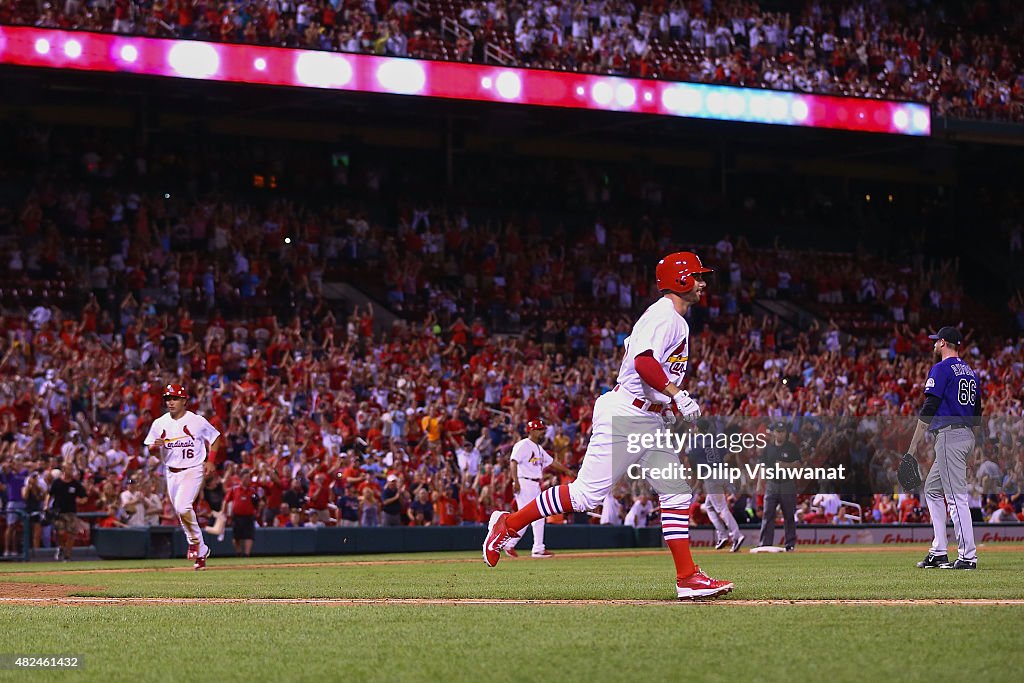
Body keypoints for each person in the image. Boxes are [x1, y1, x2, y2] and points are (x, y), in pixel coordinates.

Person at [483, 252, 734, 599]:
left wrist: (665, 403)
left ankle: (687, 577)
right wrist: (675, 393)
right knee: (586, 495)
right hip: (627, 415)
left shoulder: (674, 319)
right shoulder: (666, 316)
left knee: (676, 493)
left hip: (647, 415)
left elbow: (649, 369)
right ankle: (508, 524)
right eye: (697, 276)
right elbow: (643, 362)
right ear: (680, 280)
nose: (703, 282)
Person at [906, 326, 982, 570]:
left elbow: (929, 407)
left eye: (936, 341)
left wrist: (912, 447)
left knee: (956, 497)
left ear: (943, 343)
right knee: (932, 490)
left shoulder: (941, 368)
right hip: (964, 434)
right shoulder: (970, 372)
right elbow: (977, 414)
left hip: (950, 436)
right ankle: (939, 551)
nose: (933, 344)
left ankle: (968, 555)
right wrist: (972, 444)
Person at [144, 383, 222, 570]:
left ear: (184, 401)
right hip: (171, 472)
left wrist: (210, 461)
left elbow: (215, 437)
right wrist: (155, 448)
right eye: (168, 399)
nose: (171, 402)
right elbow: (151, 450)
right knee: (180, 510)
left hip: (193, 469)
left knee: (182, 506)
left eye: (175, 398)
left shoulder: (196, 421)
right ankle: (201, 550)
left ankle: (194, 543)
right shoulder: (160, 423)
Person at [503, 418, 572, 558]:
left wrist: (567, 471)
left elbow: (552, 462)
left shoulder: (538, 449)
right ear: (532, 431)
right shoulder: (523, 445)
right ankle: (515, 545)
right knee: (528, 517)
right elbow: (513, 462)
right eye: (539, 429)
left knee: (536, 516)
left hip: (534, 484)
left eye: (542, 429)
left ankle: (532, 547)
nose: (542, 432)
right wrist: (515, 481)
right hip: (525, 482)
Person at [688, 418, 744, 552]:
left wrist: (699, 478)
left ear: (697, 428)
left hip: (710, 476)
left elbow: (691, 461)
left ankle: (737, 535)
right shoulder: (716, 439)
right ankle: (722, 535)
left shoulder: (695, 442)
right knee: (709, 506)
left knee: (721, 509)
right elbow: (726, 457)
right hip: (723, 473)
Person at [755, 422, 801, 552]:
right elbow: (762, 467)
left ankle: (790, 544)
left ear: (786, 433)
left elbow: (798, 465)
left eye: (782, 431)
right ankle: (765, 543)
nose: (780, 434)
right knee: (767, 513)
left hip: (787, 483)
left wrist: (785, 465)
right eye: (778, 431)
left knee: (789, 515)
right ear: (774, 433)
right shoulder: (768, 449)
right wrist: (760, 483)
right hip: (772, 483)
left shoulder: (792, 448)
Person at [46, 465, 87, 562]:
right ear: (64, 470)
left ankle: (67, 554)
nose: (71, 471)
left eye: (72, 469)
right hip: (59, 512)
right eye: (69, 469)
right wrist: (46, 505)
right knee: (60, 532)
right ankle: (61, 547)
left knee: (71, 534)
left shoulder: (75, 484)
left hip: (71, 512)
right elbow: (50, 494)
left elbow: (84, 496)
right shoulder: (57, 483)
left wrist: (81, 501)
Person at [226, 468, 259, 557]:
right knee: (236, 536)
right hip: (237, 516)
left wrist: (256, 511)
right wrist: (225, 513)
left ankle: (247, 554)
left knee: (249, 535)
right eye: (246, 477)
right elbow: (226, 500)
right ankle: (239, 552)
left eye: (249, 477)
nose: (248, 480)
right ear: (241, 478)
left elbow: (257, 502)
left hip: (249, 516)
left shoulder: (252, 490)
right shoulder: (234, 489)